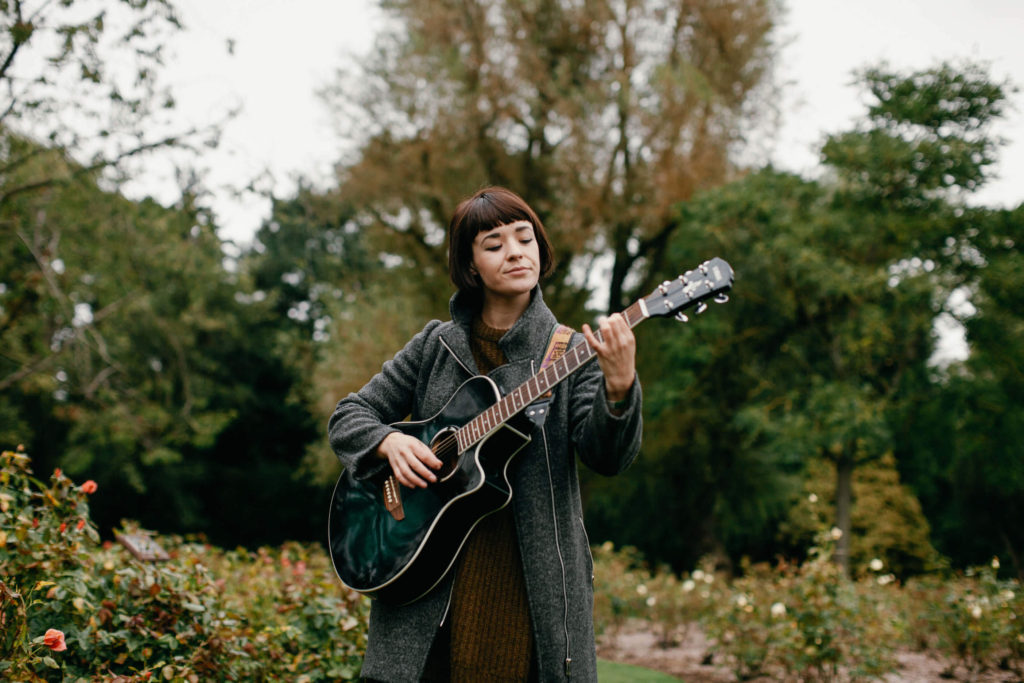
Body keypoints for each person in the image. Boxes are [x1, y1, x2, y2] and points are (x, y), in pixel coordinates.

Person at [328, 186, 643, 682]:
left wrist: (620, 387)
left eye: (525, 238)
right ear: (471, 265)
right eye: (494, 244)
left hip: (529, 593)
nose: (516, 251)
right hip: (422, 589)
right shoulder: (435, 345)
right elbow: (351, 414)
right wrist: (388, 442)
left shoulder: (571, 353)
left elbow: (608, 457)